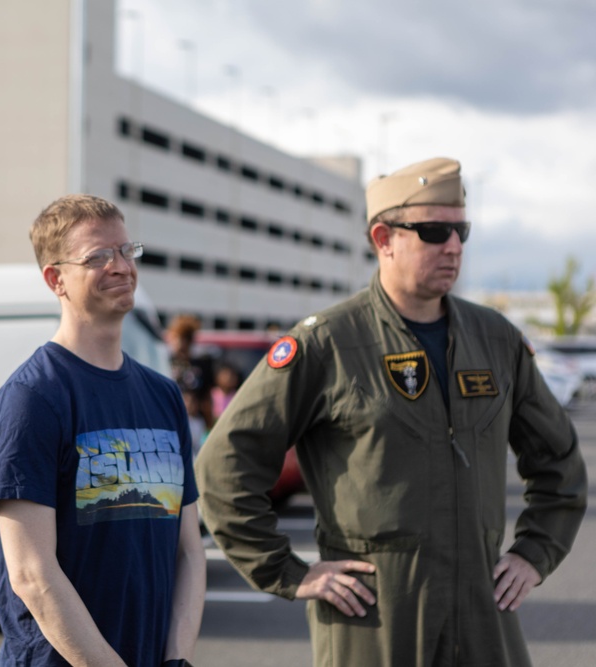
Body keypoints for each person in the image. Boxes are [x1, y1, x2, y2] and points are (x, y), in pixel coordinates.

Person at [195, 157, 588, 666]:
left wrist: (535, 553)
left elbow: (560, 463)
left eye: (460, 230)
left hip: (483, 618)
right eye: (433, 230)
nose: (453, 246)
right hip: (375, 622)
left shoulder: (496, 340)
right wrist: (289, 571)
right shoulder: (326, 344)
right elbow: (223, 465)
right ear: (384, 238)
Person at [0, 194, 205, 666]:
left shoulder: (163, 395)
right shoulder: (33, 398)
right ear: (55, 279)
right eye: (98, 257)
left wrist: (177, 659)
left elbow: (189, 550)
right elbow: (31, 573)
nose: (121, 266)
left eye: (127, 250)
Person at [165, 314, 216, 432]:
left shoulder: (201, 364)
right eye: (177, 337)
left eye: (186, 338)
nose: (181, 343)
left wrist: (209, 423)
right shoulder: (165, 362)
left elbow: (206, 397)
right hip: (169, 416)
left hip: (194, 421)